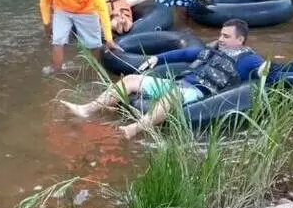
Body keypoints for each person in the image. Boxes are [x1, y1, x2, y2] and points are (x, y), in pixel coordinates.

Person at [60, 19, 264, 139]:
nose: (221, 38)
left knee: (173, 95)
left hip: (199, 93)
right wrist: (156, 58)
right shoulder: (214, 50)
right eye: (221, 34)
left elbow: (269, 73)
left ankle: (134, 129)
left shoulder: (249, 59)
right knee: (131, 79)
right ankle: (86, 109)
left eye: (226, 36)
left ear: (240, 40)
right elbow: (185, 54)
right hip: (181, 84)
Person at [39, 0, 116, 75]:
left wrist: (109, 38)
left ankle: (96, 71)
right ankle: (56, 70)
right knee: (57, 40)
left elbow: (102, 9)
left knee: (94, 43)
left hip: (86, 10)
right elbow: (44, 2)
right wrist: (46, 24)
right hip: (62, 9)